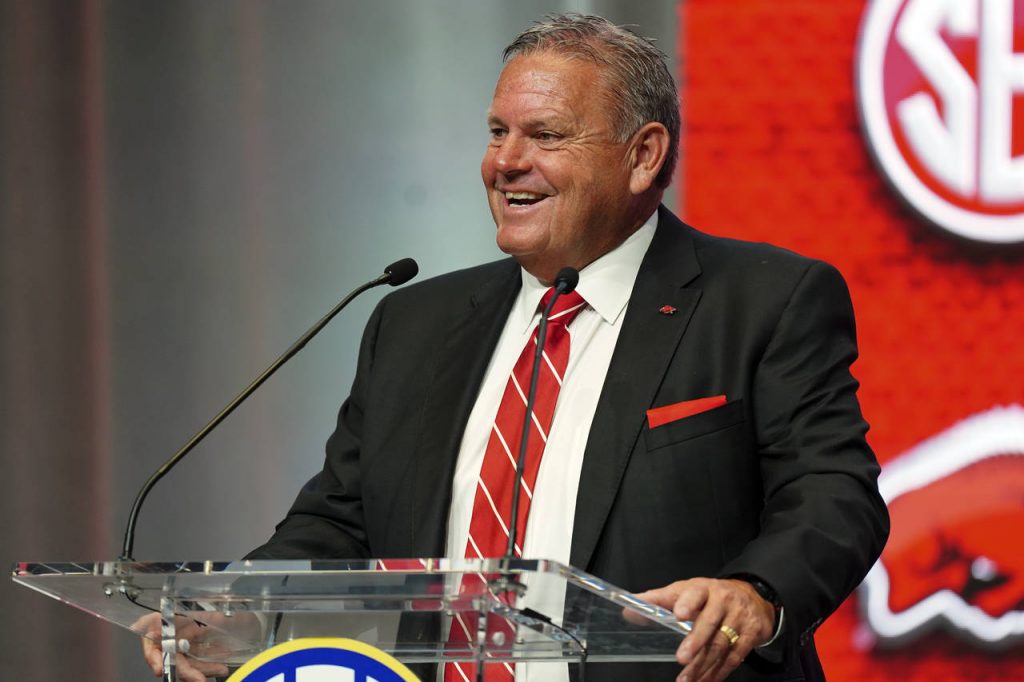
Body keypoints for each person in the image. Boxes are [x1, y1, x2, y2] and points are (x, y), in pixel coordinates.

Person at [143, 13, 888, 682]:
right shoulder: (415, 323)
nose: (505, 160)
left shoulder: (762, 301)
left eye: (546, 135)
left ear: (643, 156)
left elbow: (833, 496)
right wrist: (231, 606)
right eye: (498, 132)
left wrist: (757, 592)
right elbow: (340, 523)